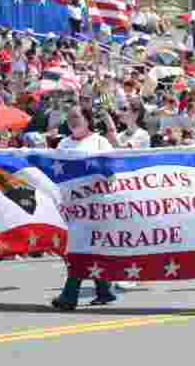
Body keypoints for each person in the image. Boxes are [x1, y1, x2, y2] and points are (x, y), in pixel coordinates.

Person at [51, 107, 116, 310]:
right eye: (69, 118)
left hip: (96, 205)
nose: (72, 121)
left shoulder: (99, 142)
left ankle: (69, 296)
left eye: (76, 117)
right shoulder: (63, 143)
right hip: (74, 207)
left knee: (81, 247)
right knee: (88, 248)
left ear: (87, 119)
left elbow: (112, 172)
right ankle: (105, 291)